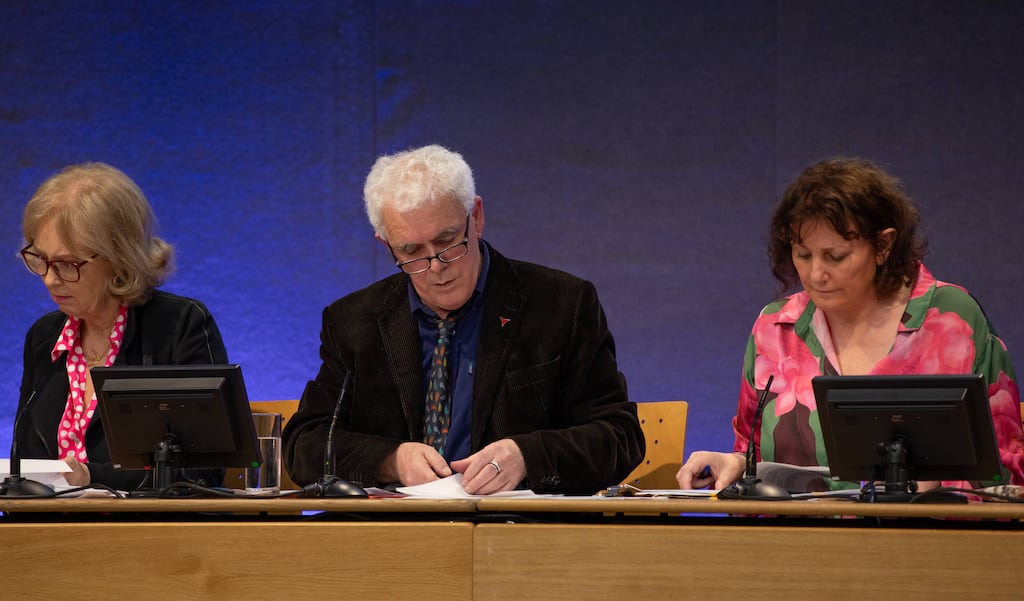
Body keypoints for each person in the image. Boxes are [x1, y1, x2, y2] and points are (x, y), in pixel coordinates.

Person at [283, 144, 644, 495]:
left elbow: (620, 436)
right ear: (386, 245)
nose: (437, 267)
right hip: (392, 535)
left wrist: (527, 456)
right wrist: (390, 460)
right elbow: (305, 445)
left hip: (519, 532)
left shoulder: (562, 305)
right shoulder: (352, 322)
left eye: (448, 241)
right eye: (411, 252)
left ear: (477, 217)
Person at [677, 158, 1024, 492]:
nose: (816, 274)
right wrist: (733, 464)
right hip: (796, 544)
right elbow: (751, 451)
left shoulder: (953, 319)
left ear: (883, 245)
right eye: (803, 254)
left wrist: (943, 487)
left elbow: (1008, 470)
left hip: (928, 543)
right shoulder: (775, 327)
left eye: (836, 256)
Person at [15, 162, 228, 491]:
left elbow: (203, 472)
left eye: (67, 264)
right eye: (39, 259)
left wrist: (93, 477)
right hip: (52, 535)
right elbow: (26, 465)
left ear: (119, 257)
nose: (49, 279)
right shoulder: (44, 338)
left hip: (145, 535)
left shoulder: (178, 325)